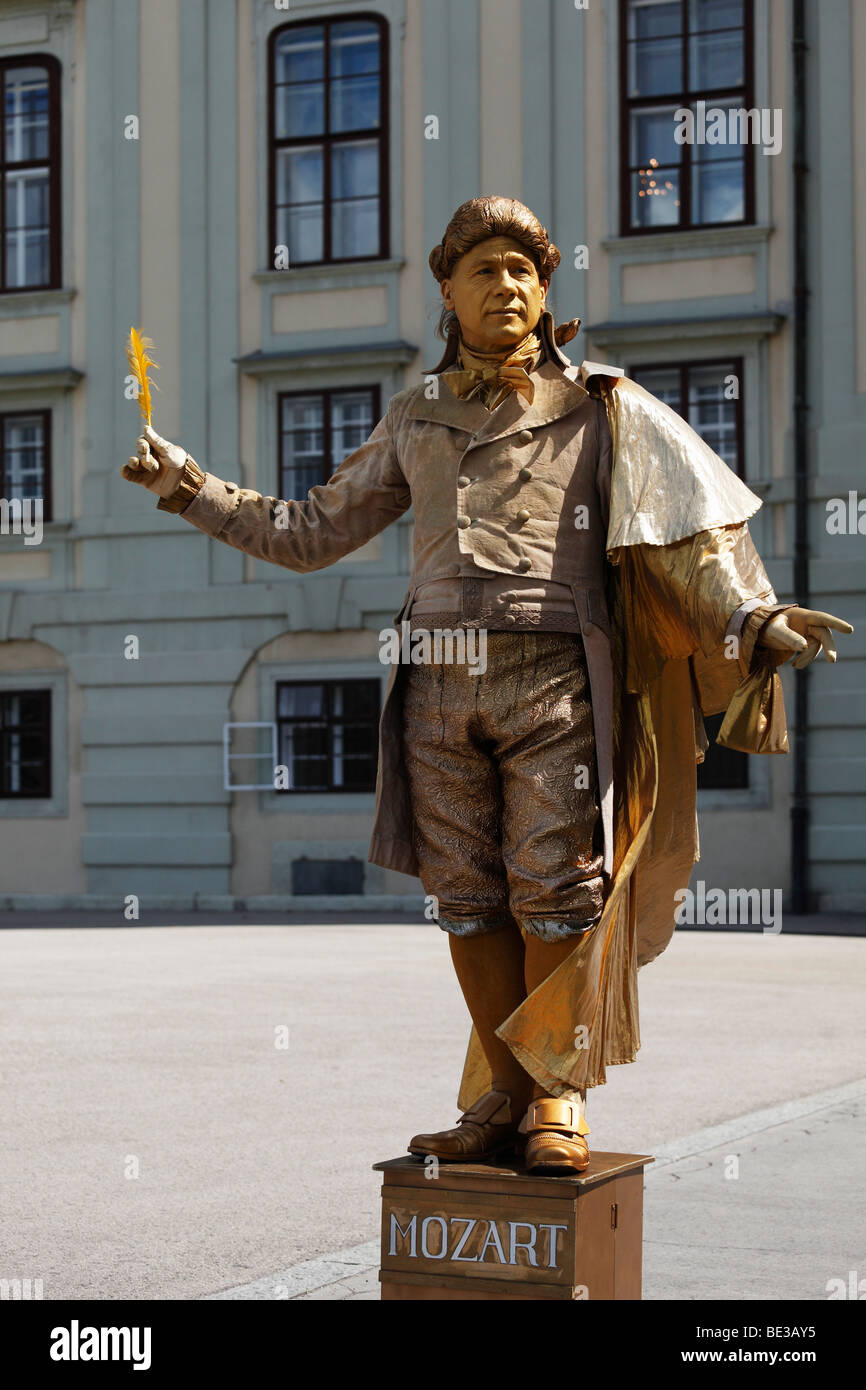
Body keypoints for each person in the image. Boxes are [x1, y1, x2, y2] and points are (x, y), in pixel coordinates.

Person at [122, 196, 852, 1175]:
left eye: (522, 270)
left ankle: (556, 1095)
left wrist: (749, 616)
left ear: (542, 290)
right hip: (432, 679)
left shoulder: (600, 405)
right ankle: (501, 1091)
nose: (505, 285)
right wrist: (188, 489)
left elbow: (687, 537)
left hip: (551, 672)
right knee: (465, 894)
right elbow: (308, 532)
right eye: (484, 270)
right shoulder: (414, 414)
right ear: (447, 292)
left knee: (555, 888)